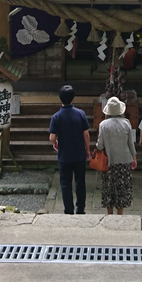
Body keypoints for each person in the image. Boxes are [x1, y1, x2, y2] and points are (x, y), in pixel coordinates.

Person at [49, 84, 91, 214]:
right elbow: (86, 134)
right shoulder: (81, 114)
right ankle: (81, 208)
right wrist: (87, 150)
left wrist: (55, 142)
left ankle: (68, 209)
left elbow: (52, 137)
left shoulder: (56, 116)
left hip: (64, 155)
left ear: (60, 98)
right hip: (79, 153)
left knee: (66, 183)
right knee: (80, 181)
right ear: (73, 98)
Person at [95, 96, 137, 215]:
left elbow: (100, 145)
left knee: (109, 189)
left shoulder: (103, 125)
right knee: (122, 189)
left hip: (109, 161)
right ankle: (120, 214)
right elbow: (130, 143)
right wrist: (134, 157)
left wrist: (97, 149)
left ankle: (110, 215)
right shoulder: (126, 123)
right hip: (124, 160)